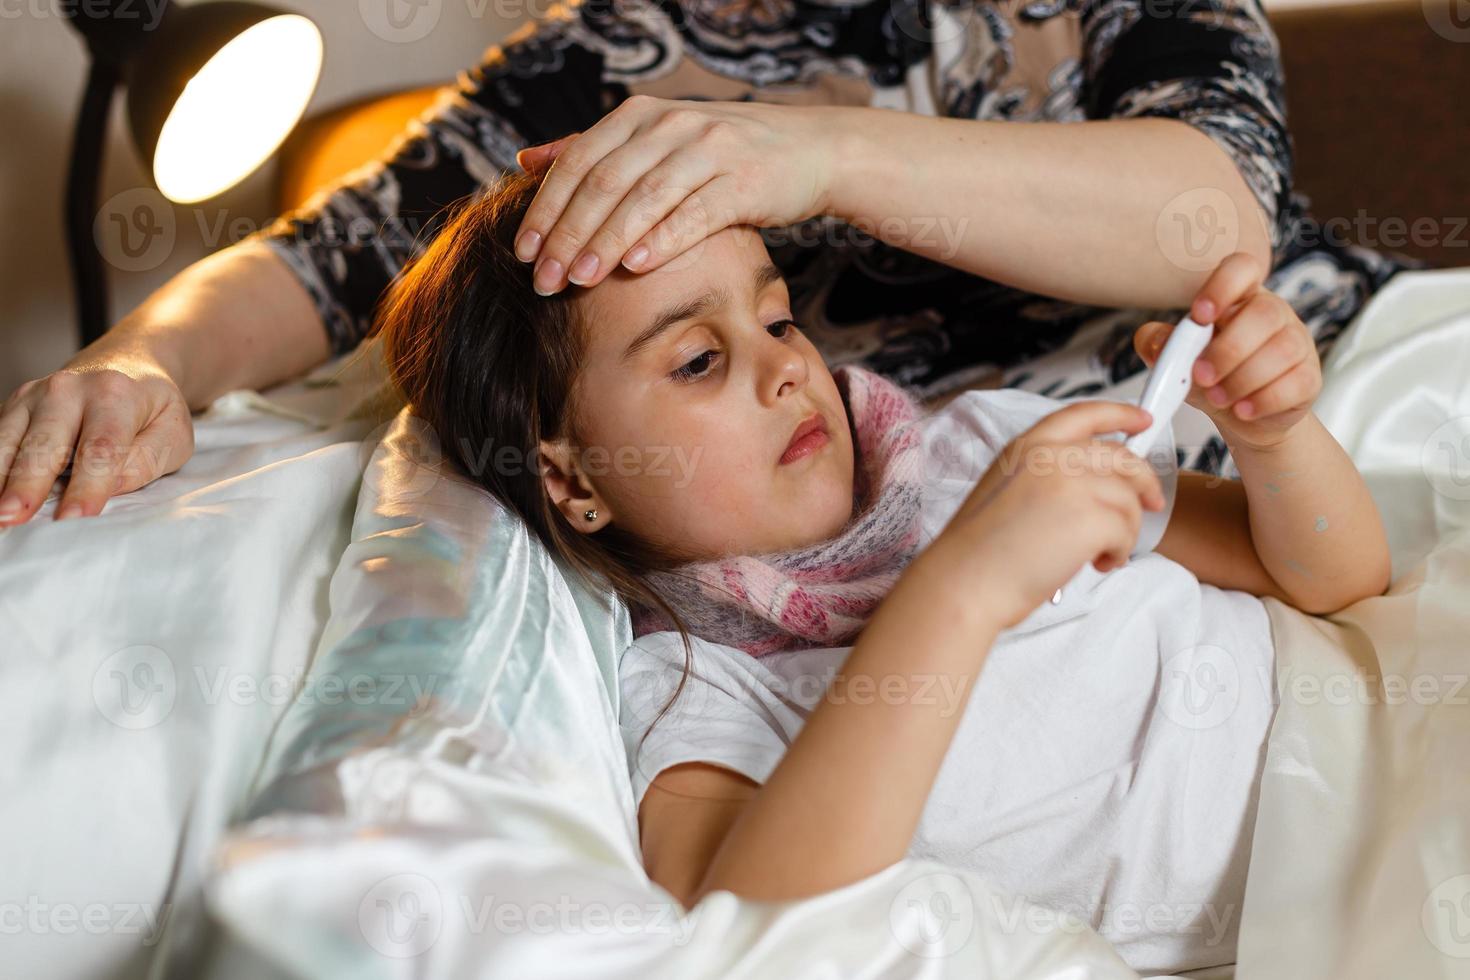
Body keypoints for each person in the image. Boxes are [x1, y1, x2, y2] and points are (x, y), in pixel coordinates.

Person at [370, 169, 1390, 974]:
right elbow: (754, 932)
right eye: (696, 361)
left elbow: (1334, 579)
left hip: (1383, 755)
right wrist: (962, 586)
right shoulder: (701, 684)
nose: (782, 366)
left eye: (776, 321)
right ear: (573, 479)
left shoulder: (987, 448)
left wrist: (1275, 437)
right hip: (1330, 915)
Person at [0, 0, 1413, 526]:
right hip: (972, 498)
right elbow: (322, 260)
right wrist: (144, 357)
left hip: (1305, 395)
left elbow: (1210, 216)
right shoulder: (591, 61)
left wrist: (815, 158)